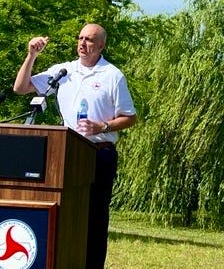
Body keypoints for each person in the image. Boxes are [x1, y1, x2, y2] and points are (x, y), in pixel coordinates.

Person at [13, 23, 137, 269]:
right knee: (63, 215)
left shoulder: (113, 75)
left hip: (98, 154)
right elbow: (20, 88)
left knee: (94, 220)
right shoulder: (64, 71)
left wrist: (103, 127)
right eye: (80, 38)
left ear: (101, 45)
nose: (83, 43)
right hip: (66, 153)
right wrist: (32, 55)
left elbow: (130, 117)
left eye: (89, 40)